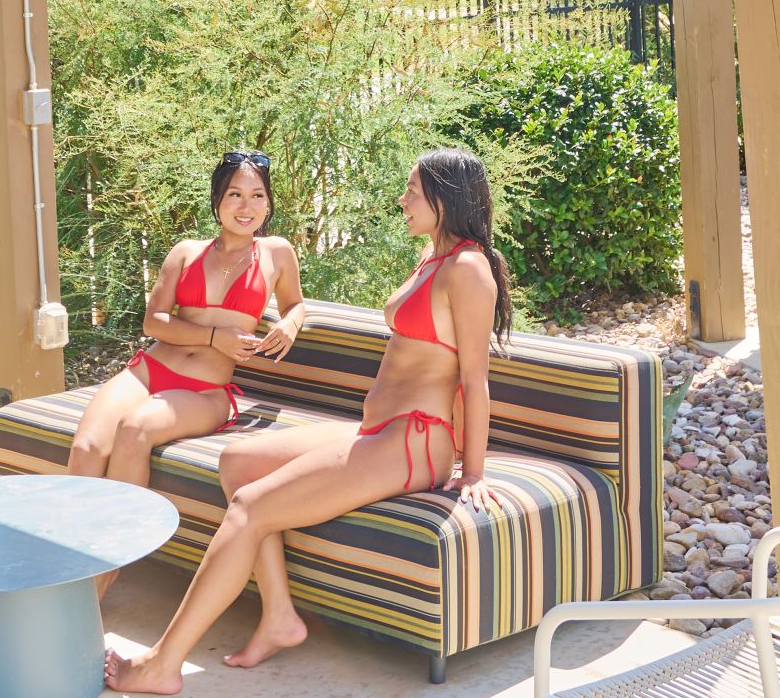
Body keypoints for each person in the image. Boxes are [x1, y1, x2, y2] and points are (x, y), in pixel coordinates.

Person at [106, 146, 511, 694]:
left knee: (251, 508)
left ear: (445, 196)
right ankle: (279, 616)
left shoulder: (468, 268)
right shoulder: (434, 258)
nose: (403, 200)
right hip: (381, 431)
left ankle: (163, 662)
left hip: (412, 440)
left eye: (413, 191)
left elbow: (474, 379)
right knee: (237, 461)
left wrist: (475, 471)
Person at [69, 150, 304, 496]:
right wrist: (214, 337)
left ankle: (123, 547)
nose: (246, 207)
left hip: (206, 391)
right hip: (149, 370)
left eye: (257, 196)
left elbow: (295, 304)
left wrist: (291, 323)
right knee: (85, 448)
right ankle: (75, 544)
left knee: (136, 428)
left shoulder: (277, 252)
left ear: (268, 204)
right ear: (217, 199)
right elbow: (154, 322)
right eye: (235, 195)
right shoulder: (186, 252)